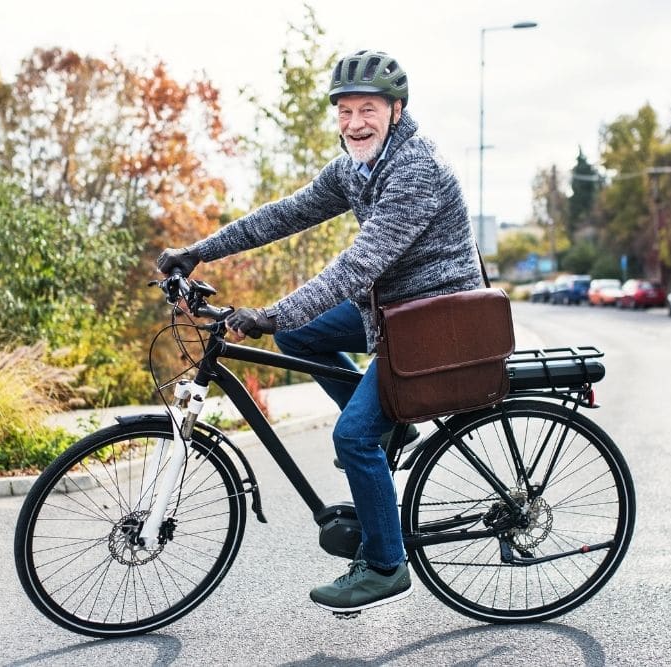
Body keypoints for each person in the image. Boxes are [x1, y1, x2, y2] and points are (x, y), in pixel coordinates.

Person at [157, 49, 484, 614]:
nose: (355, 122)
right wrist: (197, 253)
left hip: (434, 320)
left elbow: (359, 265)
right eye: (345, 111)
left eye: (369, 109)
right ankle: (395, 431)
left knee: (352, 435)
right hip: (388, 312)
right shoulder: (357, 166)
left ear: (397, 110)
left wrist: (273, 312)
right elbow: (283, 214)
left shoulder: (415, 171)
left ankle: (385, 564)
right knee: (300, 336)